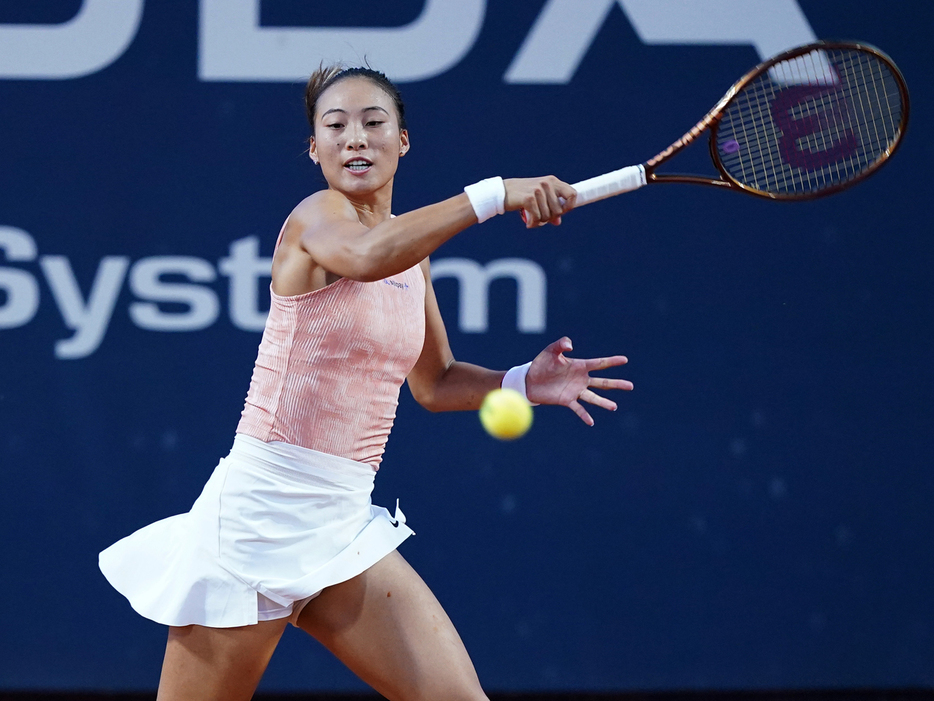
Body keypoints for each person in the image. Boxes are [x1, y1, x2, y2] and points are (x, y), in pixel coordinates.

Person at [99, 64, 633, 701]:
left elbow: (434, 383)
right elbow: (368, 255)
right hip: (257, 516)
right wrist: (496, 194)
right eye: (336, 126)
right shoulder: (316, 217)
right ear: (315, 150)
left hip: (343, 520)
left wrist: (520, 382)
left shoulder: (414, 255)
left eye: (374, 123)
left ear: (402, 141)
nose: (356, 138)